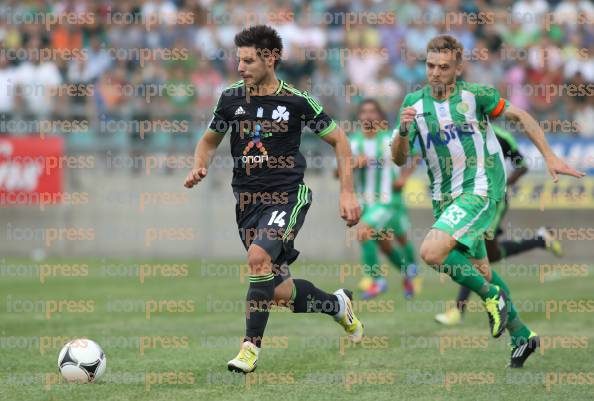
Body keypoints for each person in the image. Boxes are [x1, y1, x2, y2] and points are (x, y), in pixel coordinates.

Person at [391, 35, 585, 368]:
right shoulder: (414, 104)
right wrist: (403, 132)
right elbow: (398, 158)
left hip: (480, 189)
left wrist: (549, 156)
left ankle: (492, 299)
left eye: (443, 67)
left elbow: (521, 116)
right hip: (444, 197)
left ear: (457, 68)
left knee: (431, 252)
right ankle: (522, 335)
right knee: (482, 270)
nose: (435, 73)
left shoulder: (475, 95)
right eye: (430, 65)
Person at [184, 25, 363, 373]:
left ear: (271, 57)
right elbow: (207, 141)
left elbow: (340, 140)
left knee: (257, 257)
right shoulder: (231, 99)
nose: (240, 67)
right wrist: (198, 166)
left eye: (248, 60)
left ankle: (249, 348)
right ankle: (337, 305)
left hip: (287, 196)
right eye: (239, 60)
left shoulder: (297, 100)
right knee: (278, 290)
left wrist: (347, 191)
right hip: (247, 203)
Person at [435, 124, 563, 326]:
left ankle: (459, 309)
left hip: (493, 201)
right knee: (491, 255)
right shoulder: (459, 131)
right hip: (467, 200)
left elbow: (522, 165)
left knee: (469, 248)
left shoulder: (501, 136)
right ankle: (541, 239)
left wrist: (501, 184)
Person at [349, 98, 421, 300]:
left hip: (389, 200)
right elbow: (338, 172)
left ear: (380, 116)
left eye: (372, 111)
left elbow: (415, 156)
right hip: (366, 203)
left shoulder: (390, 138)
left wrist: (404, 178)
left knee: (368, 232)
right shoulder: (353, 142)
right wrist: (354, 163)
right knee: (385, 243)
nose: (368, 115)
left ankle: (376, 280)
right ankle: (409, 272)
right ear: (359, 116)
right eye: (364, 111)